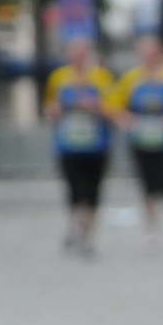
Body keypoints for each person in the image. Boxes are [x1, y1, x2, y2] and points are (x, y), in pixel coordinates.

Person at [110, 36, 163, 245]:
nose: (150, 58)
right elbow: (116, 107)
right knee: (145, 183)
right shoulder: (131, 79)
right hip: (141, 140)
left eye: (153, 54)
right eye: (146, 54)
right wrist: (126, 120)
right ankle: (152, 226)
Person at [43, 38, 114, 253]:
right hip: (69, 144)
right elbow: (49, 108)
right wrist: (59, 108)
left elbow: (114, 109)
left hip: (96, 144)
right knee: (73, 188)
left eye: (82, 53)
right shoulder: (59, 77)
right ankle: (73, 224)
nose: (79, 58)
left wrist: (95, 106)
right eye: (75, 53)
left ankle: (88, 234)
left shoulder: (101, 77)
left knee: (93, 190)